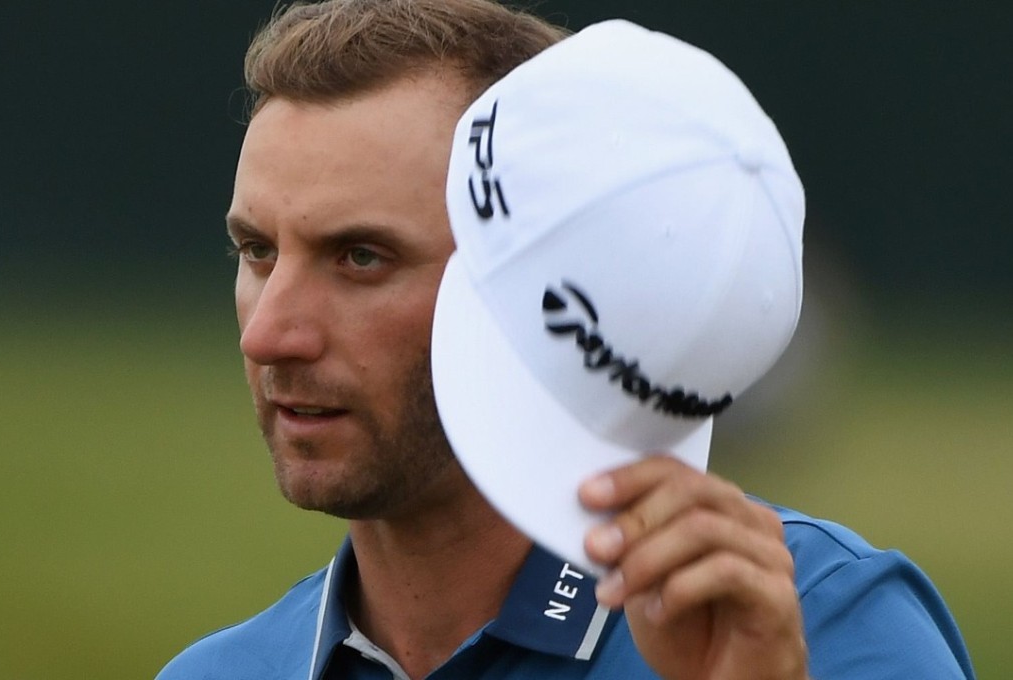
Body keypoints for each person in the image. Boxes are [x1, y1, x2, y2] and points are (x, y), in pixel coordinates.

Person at [157, 1, 975, 678]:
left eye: (361, 257)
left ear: (530, 284)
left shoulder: (823, 633)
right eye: (256, 251)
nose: (270, 334)